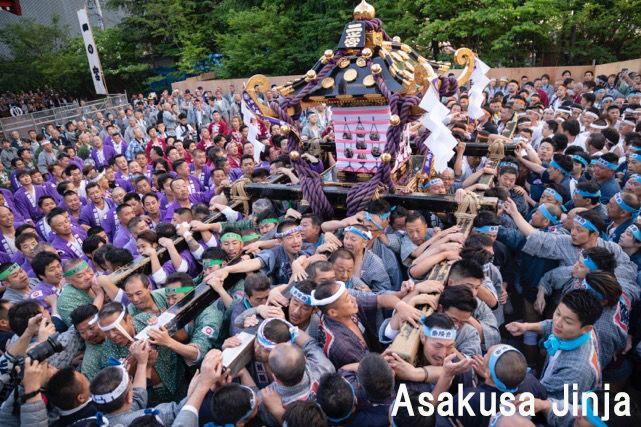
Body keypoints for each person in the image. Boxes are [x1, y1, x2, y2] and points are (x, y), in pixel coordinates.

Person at [507, 289, 603, 399]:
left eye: (567, 321)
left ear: (586, 328)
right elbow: (551, 325)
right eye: (557, 313)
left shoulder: (575, 372)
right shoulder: (578, 332)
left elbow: (547, 401)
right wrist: (526, 327)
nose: (557, 322)